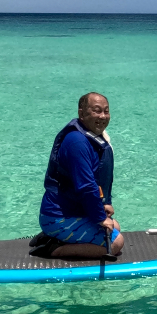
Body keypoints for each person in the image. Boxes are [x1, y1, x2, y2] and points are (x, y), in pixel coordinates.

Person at [36, 92, 125, 257]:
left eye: (106, 111)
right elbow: (86, 186)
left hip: (73, 211)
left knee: (116, 226)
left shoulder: (90, 138)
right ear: (81, 113)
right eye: (97, 111)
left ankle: (54, 238)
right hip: (58, 218)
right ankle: (54, 249)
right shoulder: (77, 143)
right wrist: (99, 217)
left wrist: (103, 204)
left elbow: (95, 181)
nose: (103, 116)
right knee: (116, 243)